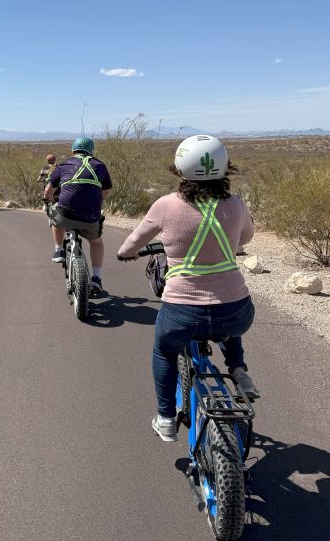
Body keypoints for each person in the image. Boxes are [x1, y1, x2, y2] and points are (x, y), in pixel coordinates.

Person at [116, 135, 259, 443]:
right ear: (224, 168)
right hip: (236, 310)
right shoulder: (235, 203)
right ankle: (238, 370)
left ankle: (166, 418)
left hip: (183, 312)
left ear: (180, 169)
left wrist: (126, 253)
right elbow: (246, 237)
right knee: (227, 315)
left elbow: (133, 242)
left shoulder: (166, 205)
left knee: (164, 351)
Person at [43, 137, 112, 294]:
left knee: (54, 214)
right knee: (96, 242)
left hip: (66, 213)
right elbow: (106, 191)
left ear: (73, 151)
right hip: (91, 215)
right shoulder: (100, 166)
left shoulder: (63, 165)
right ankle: (97, 279)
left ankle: (58, 250)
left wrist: (48, 201)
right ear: (91, 151)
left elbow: (48, 191)